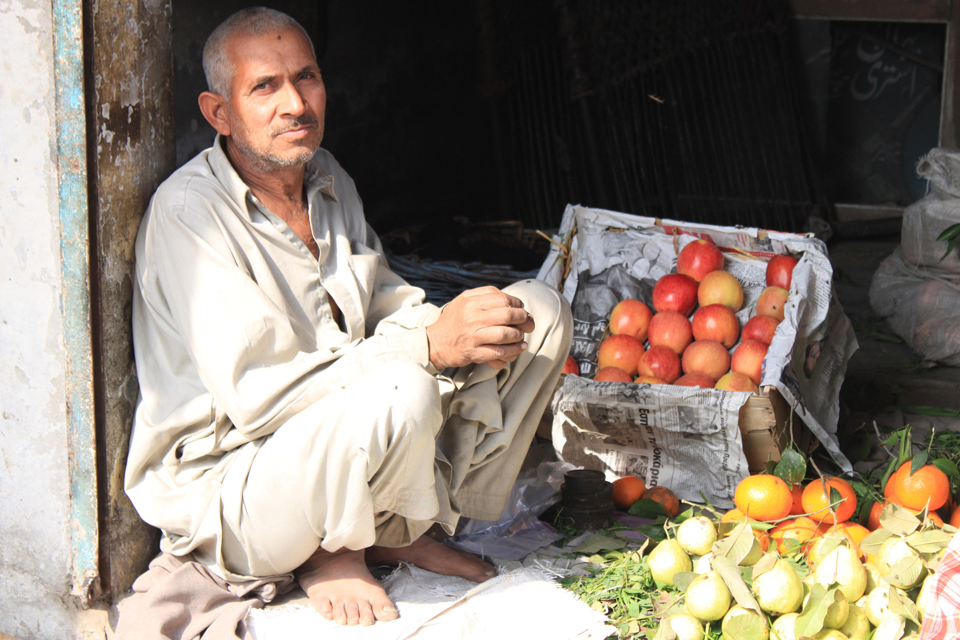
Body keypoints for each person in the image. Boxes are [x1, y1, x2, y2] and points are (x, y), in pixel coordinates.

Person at [122, 5, 572, 632]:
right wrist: (429, 347)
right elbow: (264, 397)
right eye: (264, 87)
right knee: (405, 384)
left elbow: (389, 306)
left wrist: (462, 329)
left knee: (536, 313)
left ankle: (401, 527)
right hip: (242, 486)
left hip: (347, 431)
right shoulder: (188, 217)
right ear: (218, 112)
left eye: (305, 77)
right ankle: (331, 551)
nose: (295, 104)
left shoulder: (327, 177)